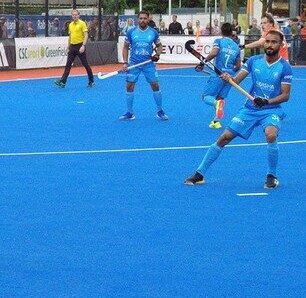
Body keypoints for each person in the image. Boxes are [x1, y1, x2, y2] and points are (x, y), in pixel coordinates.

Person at [184, 30, 292, 189]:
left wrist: (267, 101)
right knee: (224, 137)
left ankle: (271, 176)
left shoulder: (284, 67)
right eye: (267, 41)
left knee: (271, 134)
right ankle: (199, 173)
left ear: (280, 45)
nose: (269, 45)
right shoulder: (254, 61)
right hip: (250, 109)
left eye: (273, 42)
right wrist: (229, 79)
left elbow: (285, 95)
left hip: (271, 109)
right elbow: (236, 80)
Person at [119, 10, 167, 121]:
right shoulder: (131, 32)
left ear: (148, 19)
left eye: (145, 18)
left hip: (148, 64)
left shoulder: (153, 32)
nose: (142, 20)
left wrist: (157, 54)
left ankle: (160, 111)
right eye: (140, 18)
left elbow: (159, 46)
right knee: (129, 86)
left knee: (155, 85)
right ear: (138, 19)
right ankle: (130, 113)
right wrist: (125, 63)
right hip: (134, 64)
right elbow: (125, 47)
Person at [195, 22, 242, 129]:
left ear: (221, 31)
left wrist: (202, 63)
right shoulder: (236, 47)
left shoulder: (219, 41)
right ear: (231, 33)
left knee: (206, 97)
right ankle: (216, 121)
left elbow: (214, 53)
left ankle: (216, 106)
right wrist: (230, 72)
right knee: (220, 98)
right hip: (229, 77)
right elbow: (238, 66)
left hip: (218, 74)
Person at [55, 9, 94, 88]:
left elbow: (86, 35)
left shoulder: (82, 23)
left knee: (85, 64)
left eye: (76, 15)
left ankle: (91, 80)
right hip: (72, 46)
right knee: (68, 64)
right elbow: (70, 36)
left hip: (80, 46)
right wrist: (69, 46)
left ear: (78, 15)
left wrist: (83, 45)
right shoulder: (70, 25)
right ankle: (63, 81)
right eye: (73, 15)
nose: (74, 16)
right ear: (72, 16)